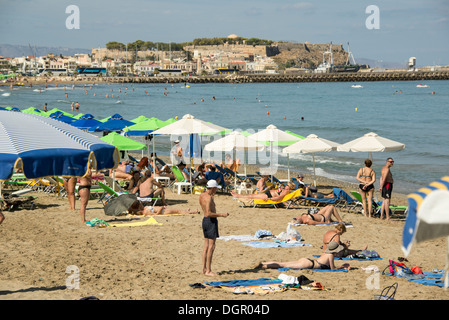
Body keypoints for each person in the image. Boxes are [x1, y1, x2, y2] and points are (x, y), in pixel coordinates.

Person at [199, 180, 229, 277]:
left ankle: (203, 269)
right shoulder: (208, 198)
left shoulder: (202, 195)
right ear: (212, 188)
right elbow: (208, 213)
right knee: (211, 247)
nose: (216, 190)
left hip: (205, 221)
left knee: (206, 246)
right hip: (210, 221)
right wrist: (221, 214)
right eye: (215, 188)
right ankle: (208, 270)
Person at [255, 241, 350, 270]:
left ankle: (264, 263)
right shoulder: (331, 256)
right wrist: (342, 267)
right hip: (309, 264)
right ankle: (264, 266)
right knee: (283, 265)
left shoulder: (325, 253)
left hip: (308, 261)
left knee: (282, 263)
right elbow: (332, 269)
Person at [231, 182, 295, 202]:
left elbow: (279, 197)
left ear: (290, 187)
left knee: (252, 196)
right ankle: (237, 195)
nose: (286, 185)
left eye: (287, 185)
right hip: (268, 193)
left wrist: (269, 199)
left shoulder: (285, 192)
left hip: (268, 196)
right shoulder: (284, 190)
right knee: (252, 195)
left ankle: (237, 195)